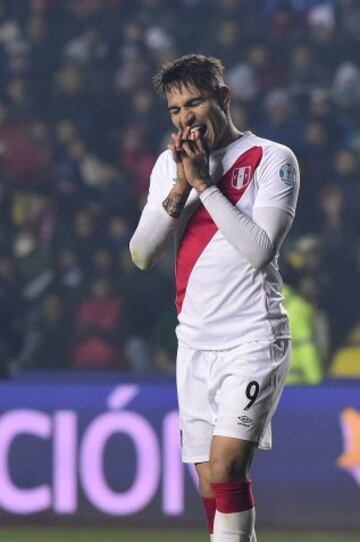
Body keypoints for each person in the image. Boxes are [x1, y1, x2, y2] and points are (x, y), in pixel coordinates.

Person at [129, 54, 300, 542]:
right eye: (175, 109)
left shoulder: (272, 159)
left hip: (252, 338)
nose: (185, 118)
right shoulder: (169, 166)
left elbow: (259, 250)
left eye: (195, 102)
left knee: (226, 465)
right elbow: (141, 254)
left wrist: (205, 184)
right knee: (209, 480)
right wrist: (182, 184)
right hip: (196, 344)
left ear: (223, 98)